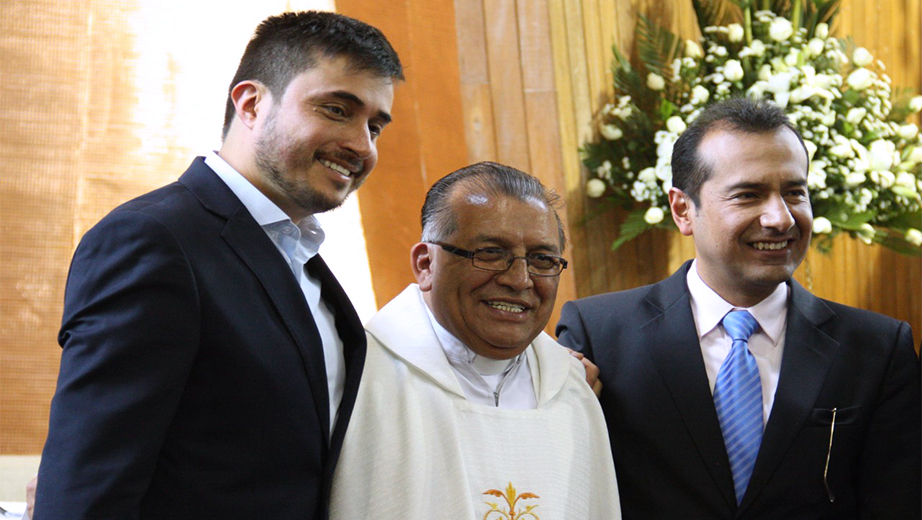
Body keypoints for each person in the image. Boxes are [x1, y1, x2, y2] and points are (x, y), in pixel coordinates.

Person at [34, 11, 402, 519]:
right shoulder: (154, 239)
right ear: (251, 104)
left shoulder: (306, 264)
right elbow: (89, 485)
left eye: (375, 127)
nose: (363, 146)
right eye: (337, 109)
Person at [557, 97, 921, 519]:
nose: (780, 218)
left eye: (794, 192)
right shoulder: (600, 335)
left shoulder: (877, 348)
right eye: (748, 195)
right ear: (682, 210)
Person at [328, 162, 621, 519]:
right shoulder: (358, 378)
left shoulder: (571, 388)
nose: (519, 279)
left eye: (542, 259)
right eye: (490, 253)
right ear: (425, 264)